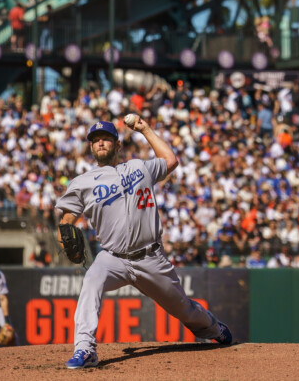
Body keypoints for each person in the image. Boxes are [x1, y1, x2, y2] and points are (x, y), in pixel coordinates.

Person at [55, 117, 233, 369]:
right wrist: (66, 234)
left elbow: (171, 161)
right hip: (112, 258)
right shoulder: (81, 183)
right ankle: (85, 348)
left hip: (150, 257)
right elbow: (67, 220)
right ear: (91, 148)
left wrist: (145, 129)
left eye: (105, 138)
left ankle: (213, 327)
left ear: (117, 144)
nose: (100, 143)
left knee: (183, 309)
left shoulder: (139, 167)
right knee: (91, 281)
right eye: (95, 141)